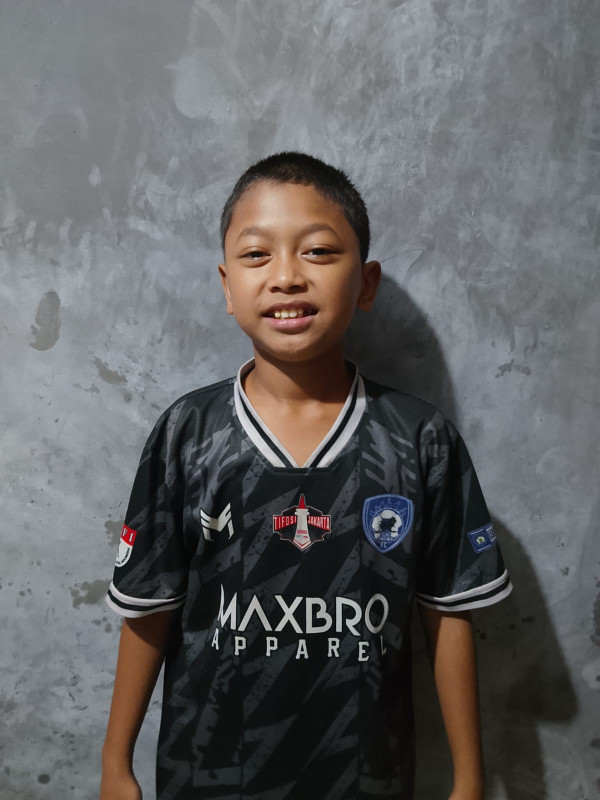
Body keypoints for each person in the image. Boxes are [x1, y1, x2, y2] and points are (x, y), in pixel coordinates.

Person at [100, 151, 513, 800]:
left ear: (366, 283)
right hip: (210, 776)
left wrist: (469, 780)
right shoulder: (188, 433)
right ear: (227, 286)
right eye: (257, 255)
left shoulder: (418, 440)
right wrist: (114, 762)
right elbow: (151, 606)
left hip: (366, 776)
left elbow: (448, 614)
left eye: (318, 252)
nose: (287, 276)